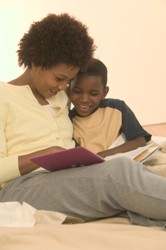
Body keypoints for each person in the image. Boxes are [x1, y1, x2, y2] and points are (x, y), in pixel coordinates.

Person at [0, 13, 166, 228]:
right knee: (118, 174)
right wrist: (44, 155)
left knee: (129, 169)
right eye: (59, 78)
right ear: (35, 62)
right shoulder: (4, 97)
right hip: (20, 187)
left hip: (68, 176)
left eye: (69, 81)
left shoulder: (59, 97)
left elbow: (94, 100)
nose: (62, 88)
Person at [68, 58, 151, 158]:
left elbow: (140, 140)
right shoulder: (67, 122)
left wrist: (105, 154)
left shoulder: (118, 108)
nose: (84, 99)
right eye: (77, 91)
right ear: (68, 90)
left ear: (104, 92)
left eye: (93, 94)